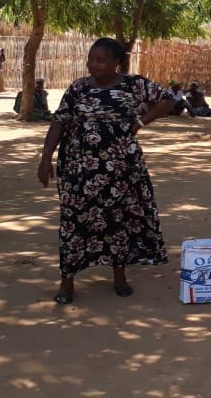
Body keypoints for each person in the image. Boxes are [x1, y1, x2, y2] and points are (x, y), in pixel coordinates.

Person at [37, 38, 176, 305]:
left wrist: (140, 122)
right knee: (74, 221)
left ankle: (119, 276)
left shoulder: (133, 84)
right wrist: (45, 159)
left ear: (116, 63)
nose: (93, 65)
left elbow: (168, 100)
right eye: (91, 59)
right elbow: (59, 122)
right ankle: (67, 280)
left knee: (117, 219)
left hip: (121, 167)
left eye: (100, 60)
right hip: (78, 167)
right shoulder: (78, 88)